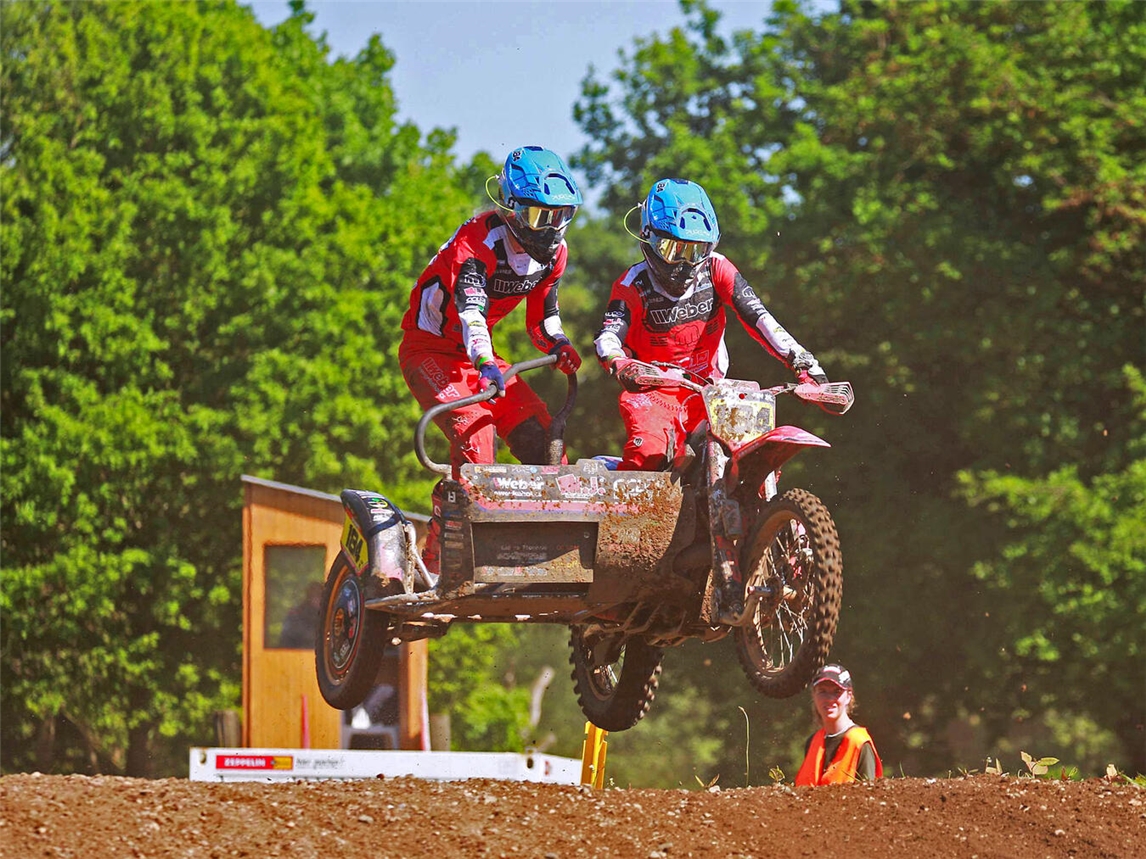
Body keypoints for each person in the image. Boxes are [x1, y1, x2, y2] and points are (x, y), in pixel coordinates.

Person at [400, 146, 583, 576]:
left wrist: (559, 343)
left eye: (561, 215)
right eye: (540, 216)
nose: (551, 228)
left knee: (545, 443)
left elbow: (542, 320)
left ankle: (552, 559)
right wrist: (484, 362)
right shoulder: (476, 243)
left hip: (480, 357)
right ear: (512, 209)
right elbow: (471, 314)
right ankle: (440, 564)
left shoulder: (556, 254)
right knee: (478, 445)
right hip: (432, 350)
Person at [594, 177, 829, 473]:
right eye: (673, 249)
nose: (685, 264)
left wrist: (804, 363)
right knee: (649, 458)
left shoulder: (717, 267)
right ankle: (612, 473)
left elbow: (759, 316)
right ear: (648, 239)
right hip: (653, 392)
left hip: (713, 390)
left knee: (754, 457)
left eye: (696, 251)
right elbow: (608, 337)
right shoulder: (632, 284)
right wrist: (618, 361)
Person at [795, 663, 883, 785]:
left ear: (848, 696)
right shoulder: (812, 742)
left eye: (837, 691)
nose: (829, 699)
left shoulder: (860, 743)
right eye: (822, 691)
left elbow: (869, 793)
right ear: (813, 695)